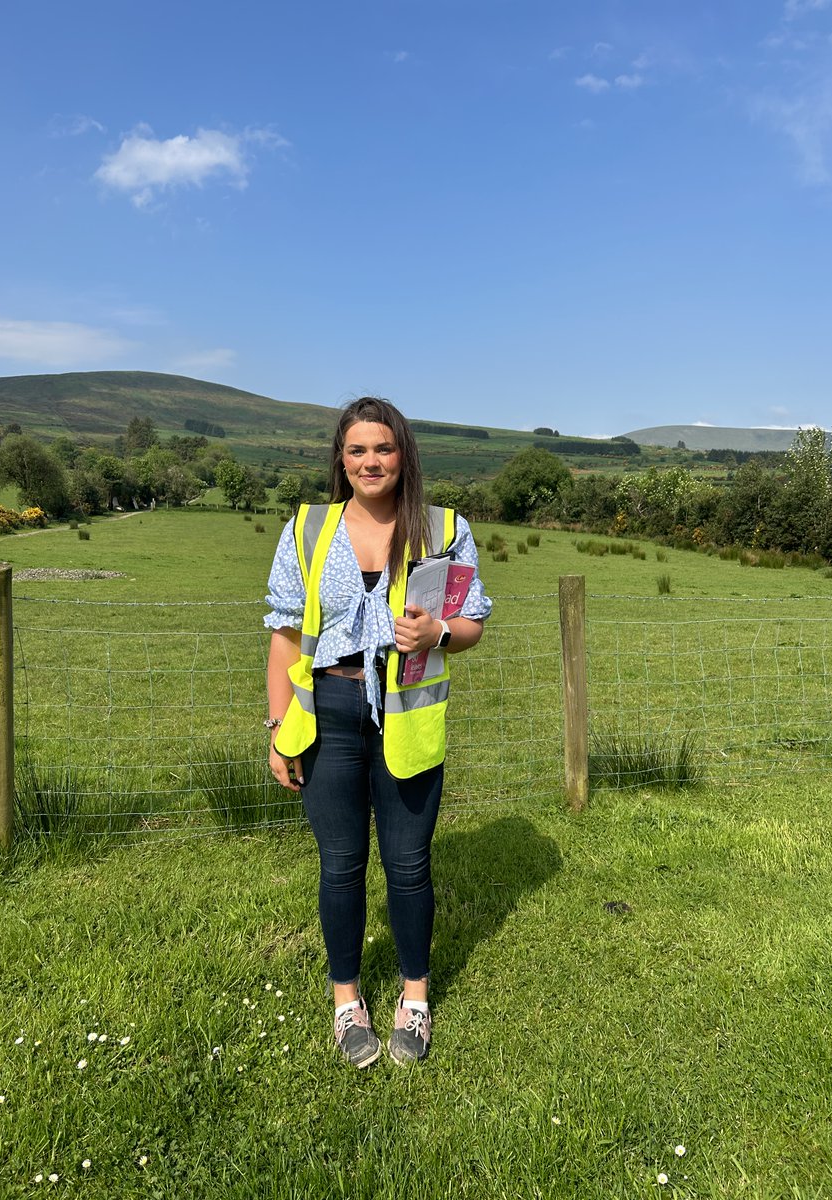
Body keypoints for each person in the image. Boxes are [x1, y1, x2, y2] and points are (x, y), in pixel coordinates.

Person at [263, 397, 492, 1067]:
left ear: (404, 455)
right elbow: (284, 636)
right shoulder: (307, 529)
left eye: (383, 448)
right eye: (357, 450)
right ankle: (347, 1002)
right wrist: (277, 728)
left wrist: (439, 632)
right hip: (326, 714)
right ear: (341, 459)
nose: (371, 461)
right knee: (340, 865)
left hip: (407, 714)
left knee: (409, 864)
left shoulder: (444, 529)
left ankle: (414, 998)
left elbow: (472, 622)